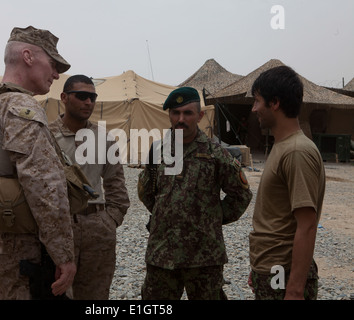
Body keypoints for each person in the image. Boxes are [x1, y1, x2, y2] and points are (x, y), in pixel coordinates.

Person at [0, 26, 75, 299]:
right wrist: (63, 254)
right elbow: (43, 183)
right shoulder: (18, 106)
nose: (56, 74)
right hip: (27, 249)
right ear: (28, 56)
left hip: (3, 240)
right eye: (52, 64)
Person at [138, 87, 252, 300]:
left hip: (204, 256)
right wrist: (166, 214)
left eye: (188, 113)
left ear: (199, 116)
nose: (181, 119)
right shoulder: (157, 151)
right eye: (175, 113)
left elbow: (241, 195)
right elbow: (147, 192)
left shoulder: (215, 152)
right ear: (169, 115)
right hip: (162, 254)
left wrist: (213, 217)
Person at [48, 75, 130, 299]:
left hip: (97, 229)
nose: (88, 102)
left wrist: (109, 221)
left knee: (96, 296)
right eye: (81, 96)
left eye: (92, 97)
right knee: (57, 292)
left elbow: (117, 186)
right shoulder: (46, 136)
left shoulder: (104, 139)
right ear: (64, 97)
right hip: (59, 228)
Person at [248, 65, 326, 300]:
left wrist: (293, 289)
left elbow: (307, 225)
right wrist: (260, 269)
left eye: (257, 101)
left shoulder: (296, 151)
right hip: (273, 270)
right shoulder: (283, 146)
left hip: (283, 273)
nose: (254, 109)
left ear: (275, 103)